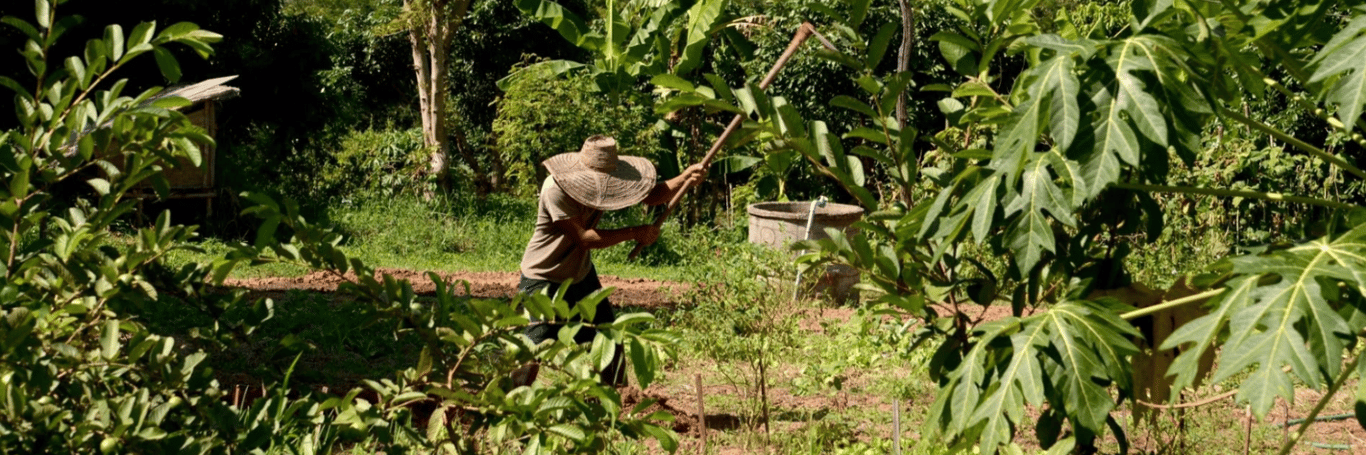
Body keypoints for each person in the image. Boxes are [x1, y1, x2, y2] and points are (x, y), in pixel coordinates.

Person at [512, 135, 704, 387]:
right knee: (531, 346)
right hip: (543, 276)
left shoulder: (610, 179)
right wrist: (635, 232)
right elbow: (585, 238)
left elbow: (649, 195)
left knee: (608, 335)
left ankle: (619, 400)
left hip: (580, 275)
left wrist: (684, 179)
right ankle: (510, 405)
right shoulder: (555, 189)